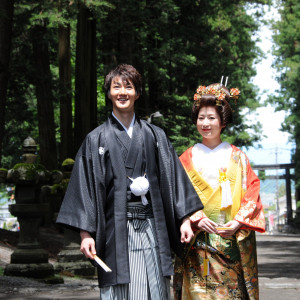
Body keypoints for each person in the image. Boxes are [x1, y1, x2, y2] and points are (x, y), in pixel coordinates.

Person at [56, 64, 203, 299]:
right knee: (119, 287)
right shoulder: (96, 140)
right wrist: (86, 234)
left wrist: (185, 219)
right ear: (108, 93)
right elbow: (84, 189)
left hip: (152, 225)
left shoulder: (156, 136)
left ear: (138, 93)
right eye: (116, 87)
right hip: (115, 229)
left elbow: (173, 177)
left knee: (155, 286)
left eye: (128, 87)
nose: (122, 92)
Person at [173, 83, 265, 300]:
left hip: (229, 239)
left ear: (223, 121)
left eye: (211, 118)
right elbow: (175, 194)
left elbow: (252, 191)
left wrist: (238, 222)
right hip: (198, 242)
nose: (205, 123)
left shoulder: (238, 157)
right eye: (201, 118)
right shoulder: (186, 158)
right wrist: (194, 217)